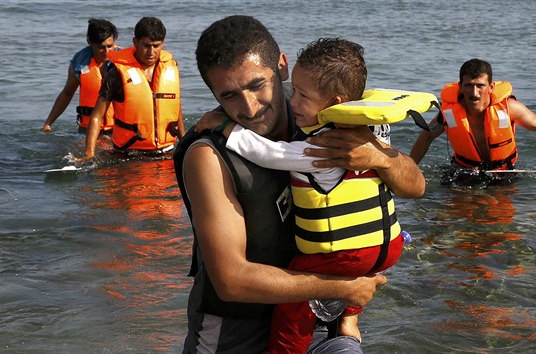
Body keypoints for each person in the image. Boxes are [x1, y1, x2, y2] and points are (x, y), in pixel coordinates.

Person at [173, 15, 425, 353]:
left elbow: (415, 186)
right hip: (236, 332)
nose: (248, 109)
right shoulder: (209, 155)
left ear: (281, 66)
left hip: (318, 319)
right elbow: (231, 280)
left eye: (256, 85)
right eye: (229, 95)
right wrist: (345, 288)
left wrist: (380, 157)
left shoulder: (323, 115)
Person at [410, 58, 536, 184]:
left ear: (491, 86)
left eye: (480, 86)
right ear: (460, 86)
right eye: (469, 85)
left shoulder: (509, 108)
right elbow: (427, 136)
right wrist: (411, 168)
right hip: (463, 173)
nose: (474, 93)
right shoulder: (448, 113)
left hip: (503, 174)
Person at [79, 16, 184, 160]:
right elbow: (97, 116)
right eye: (146, 45)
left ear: (163, 44)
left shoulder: (171, 67)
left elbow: (175, 107)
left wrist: (184, 142)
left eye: (156, 46)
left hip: (167, 150)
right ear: (135, 42)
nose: (151, 52)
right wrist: (89, 154)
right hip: (129, 153)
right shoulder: (117, 72)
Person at [42, 18, 119, 133]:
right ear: (89, 42)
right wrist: (48, 123)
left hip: (117, 128)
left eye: (110, 46)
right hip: (86, 128)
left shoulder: (124, 63)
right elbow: (67, 93)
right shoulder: (79, 64)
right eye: (101, 47)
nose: (107, 51)